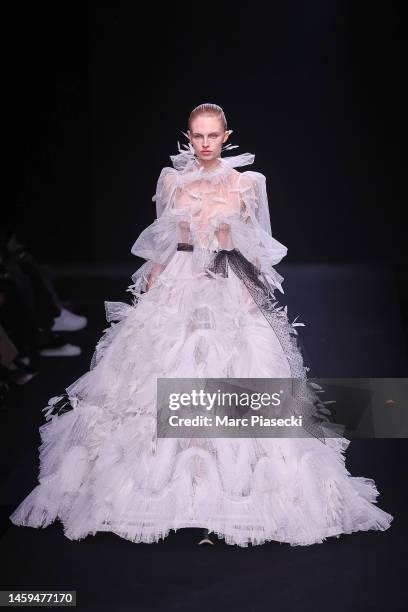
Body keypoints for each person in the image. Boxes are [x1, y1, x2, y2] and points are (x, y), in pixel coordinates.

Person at [9, 103, 393, 547]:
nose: (205, 144)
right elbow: (165, 239)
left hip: (228, 283)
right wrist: (152, 288)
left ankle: (233, 497)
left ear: (227, 135)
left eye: (213, 135)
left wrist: (252, 289)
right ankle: (161, 494)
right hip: (181, 282)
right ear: (188, 137)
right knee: (161, 373)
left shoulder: (249, 183)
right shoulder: (171, 180)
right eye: (198, 136)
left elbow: (255, 243)